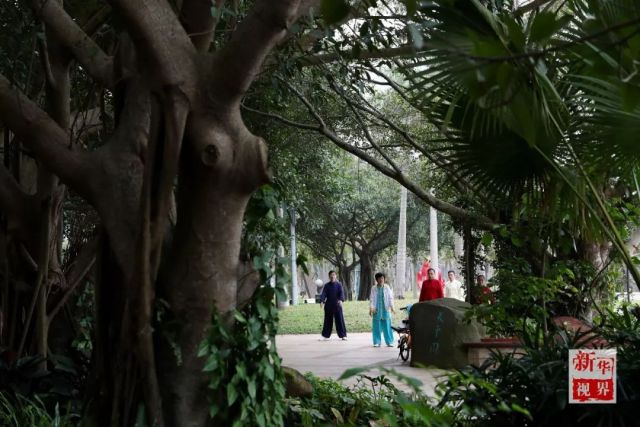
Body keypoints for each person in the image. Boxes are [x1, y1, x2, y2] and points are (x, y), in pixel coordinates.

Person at [319, 271, 347, 340]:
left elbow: (341, 293)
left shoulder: (339, 285)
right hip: (328, 306)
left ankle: (343, 335)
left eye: (334, 275)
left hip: (337, 305)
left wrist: (341, 300)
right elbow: (324, 294)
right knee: (327, 321)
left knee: (340, 320)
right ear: (329, 277)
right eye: (331, 275)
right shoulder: (326, 285)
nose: (332, 276)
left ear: (335, 276)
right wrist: (322, 301)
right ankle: (325, 336)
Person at [369, 272, 395, 347]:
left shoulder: (387, 287)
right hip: (376, 310)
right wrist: (371, 308)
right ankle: (377, 342)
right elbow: (372, 299)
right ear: (376, 280)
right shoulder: (373, 288)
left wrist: (392, 307)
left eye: (382, 278)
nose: (381, 280)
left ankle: (389, 341)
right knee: (376, 326)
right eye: (379, 278)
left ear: (384, 279)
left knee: (387, 326)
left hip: (385, 309)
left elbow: (390, 298)